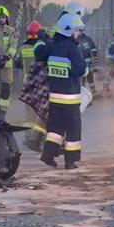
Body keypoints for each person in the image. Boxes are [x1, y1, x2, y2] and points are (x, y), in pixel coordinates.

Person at [35, 10, 88, 169]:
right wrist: (85, 69)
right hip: (70, 98)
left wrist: (41, 39)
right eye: (77, 30)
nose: (79, 34)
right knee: (73, 129)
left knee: (55, 128)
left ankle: (48, 154)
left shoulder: (52, 46)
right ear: (68, 30)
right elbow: (80, 69)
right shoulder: (73, 49)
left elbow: (39, 54)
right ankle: (70, 161)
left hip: (54, 97)